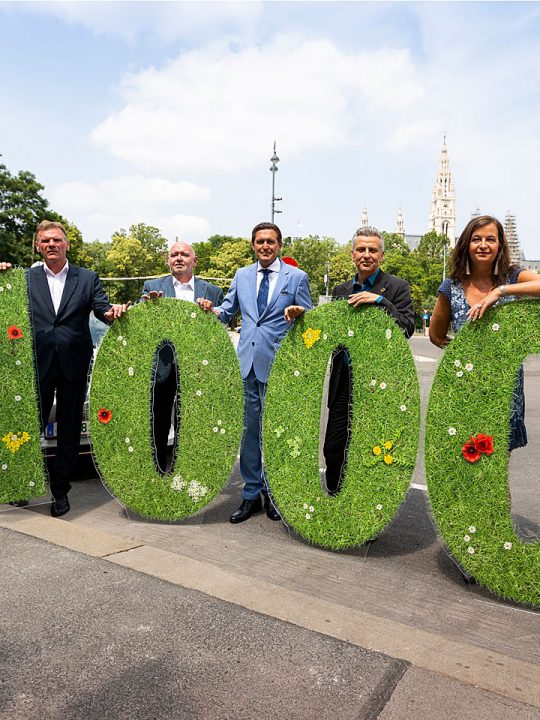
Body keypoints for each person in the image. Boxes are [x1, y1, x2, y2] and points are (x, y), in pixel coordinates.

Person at [0, 220, 129, 516]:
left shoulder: (86, 278)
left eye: (56, 240)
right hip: (35, 365)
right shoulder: (24, 278)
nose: (51, 245)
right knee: (27, 429)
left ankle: (60, 491)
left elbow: (103, 310)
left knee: (69, 432)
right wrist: (2, 278)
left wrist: (115, 312)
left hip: (73, 365)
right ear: (37, 246)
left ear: (67, 244)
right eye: (45, 241)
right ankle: (22, 485)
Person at [198, 222, 312, 523]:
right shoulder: (242, 275)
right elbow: (227, 310)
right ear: (253, 245)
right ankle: (251, 495)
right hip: (246, 364)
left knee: (275, 433)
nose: (265, 246)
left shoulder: (297, 277)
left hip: (279, 366)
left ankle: (274, 494)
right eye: (260, 241)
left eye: (271, 242)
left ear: (280, 245)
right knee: (249, 434)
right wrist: (212, 309)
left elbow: (310, 320)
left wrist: (300, 314)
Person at [429, 214, 540, 450]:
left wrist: (500, 291)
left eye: (490, 239)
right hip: (465, 386)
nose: (483, 245)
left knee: (496, 465)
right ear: (466, 244)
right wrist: (466, 355)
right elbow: (436, 336)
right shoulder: (452, 286)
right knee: (466, 461)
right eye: (476, 239)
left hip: (505, 384)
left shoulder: (513, 277)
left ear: (500, 244)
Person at [324, 226, 415, 493]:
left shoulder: (397, 287)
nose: (366, 254)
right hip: (344, 383)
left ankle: (367, 516)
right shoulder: (342, 289)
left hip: (379, 385)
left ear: (381, 255)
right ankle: (334, 503)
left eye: (372, 250)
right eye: (361, 249)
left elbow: (407, 328)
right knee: (333, 449)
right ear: (352, 255)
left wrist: (380, 301)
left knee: (371, 449)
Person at [141, 241, 223, 473]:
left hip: (197, 370)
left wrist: (212, 314)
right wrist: (148, 309)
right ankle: (157, 472)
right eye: (174, 255)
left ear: (194, 261)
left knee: (189, 423)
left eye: (184, 255)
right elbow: (143, 327)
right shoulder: (153, 287)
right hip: (162, 367)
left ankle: (185, 472)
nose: (179, 258)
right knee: (159, 421)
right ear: (168, 261)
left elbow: (218, 330)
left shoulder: (213, 292)